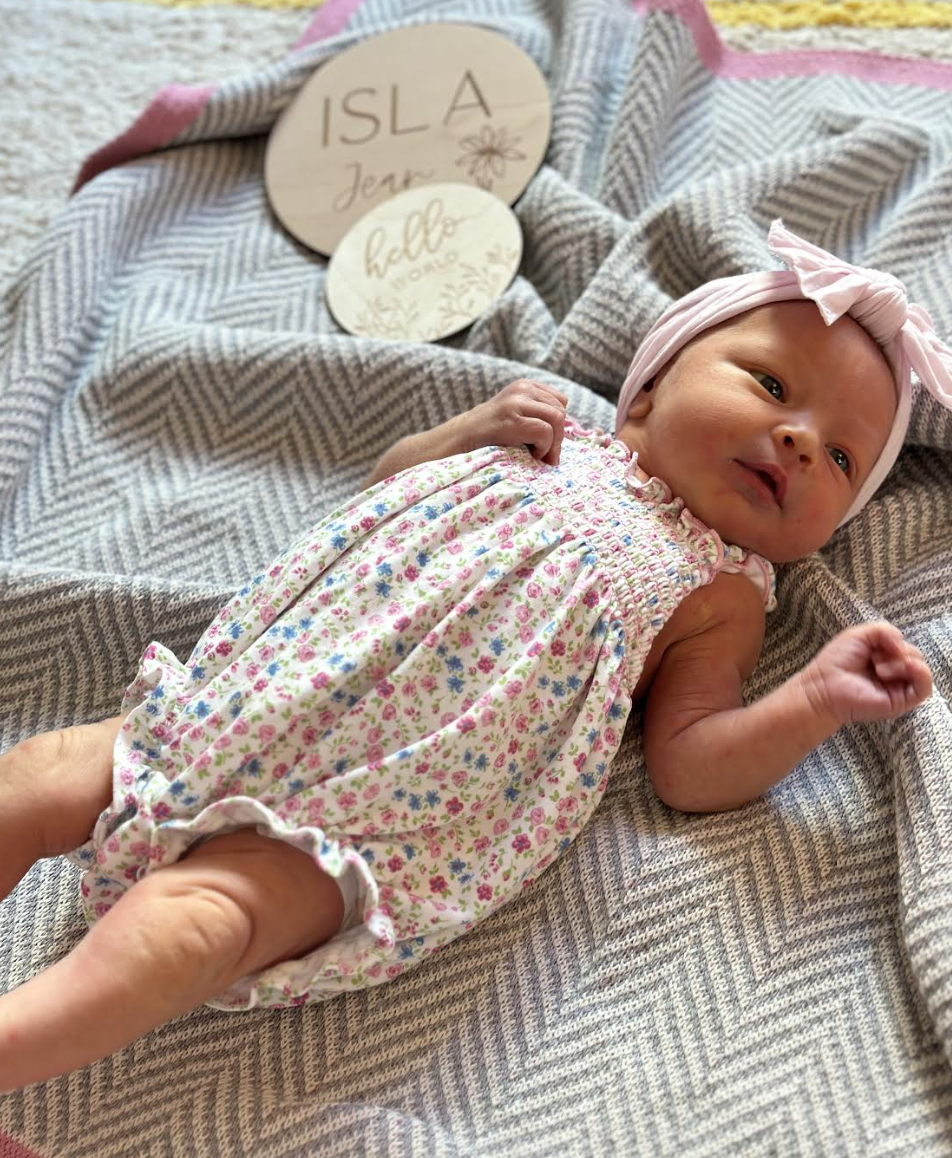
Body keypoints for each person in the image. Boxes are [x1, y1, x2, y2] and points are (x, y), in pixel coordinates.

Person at [0, 220, 947, 1091]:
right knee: (39, 773)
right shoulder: (546, 439)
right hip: (252, 700)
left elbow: (688, 764)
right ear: (653, 386)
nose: (799, 439)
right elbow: (380, 491)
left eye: (841, 459)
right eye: (772, 387)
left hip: (380, 815)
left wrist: (815, 699)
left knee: (202, 926)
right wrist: (460, 435)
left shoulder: (722, 591)